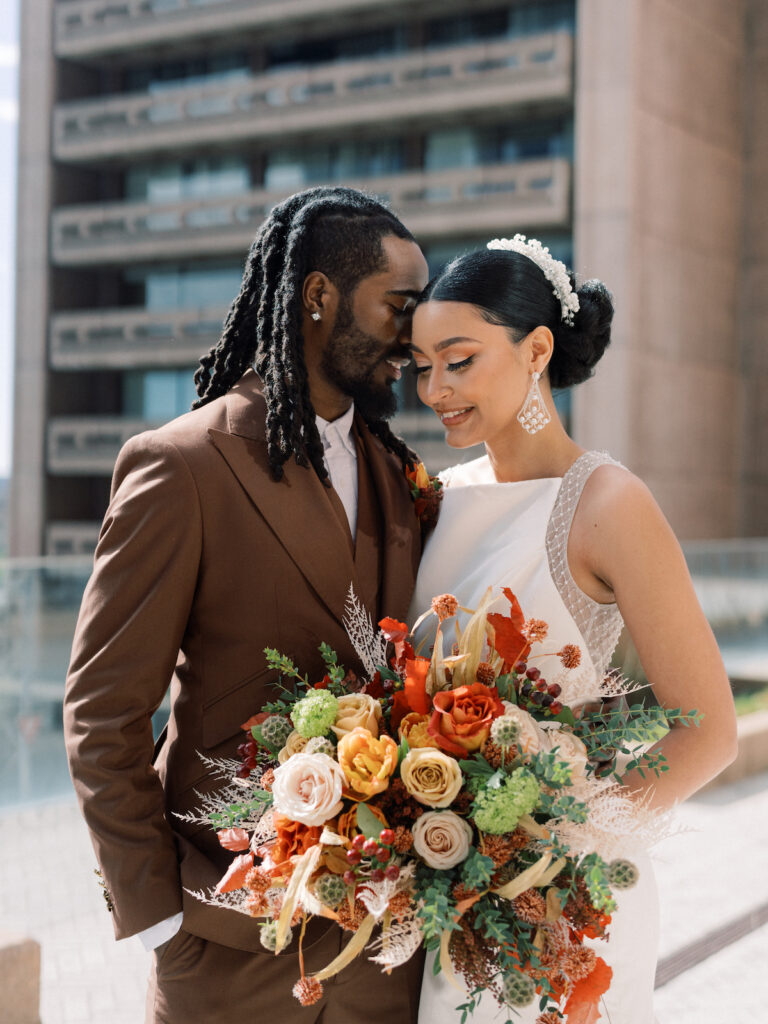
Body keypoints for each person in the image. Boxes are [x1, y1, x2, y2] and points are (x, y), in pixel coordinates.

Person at [63, 185, 429, 1023]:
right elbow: (102, 711)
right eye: (398, 307)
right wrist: (158, 918)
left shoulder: (398, 474)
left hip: (378, 958)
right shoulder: (181, 466)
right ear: (318, 297)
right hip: (226, 951)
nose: (413, 339)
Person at [407, 237, 737, 1024]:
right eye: (420, 367)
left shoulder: (610, 502)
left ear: (538, 350)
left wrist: (559, 856)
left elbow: (711, 731)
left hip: (560, 910)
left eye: (459, 360)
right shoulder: (438, 497)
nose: (434, 389)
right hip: (448, 895)